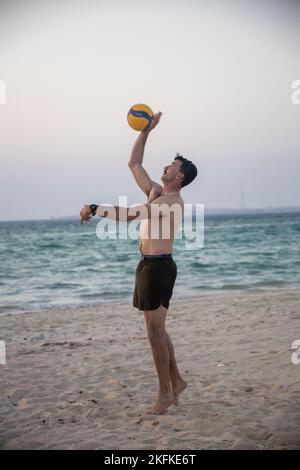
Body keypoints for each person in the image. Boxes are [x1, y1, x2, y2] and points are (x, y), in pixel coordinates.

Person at [80, 112, 198, 414]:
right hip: (148, 265)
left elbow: (132, 214)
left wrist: (95, 208)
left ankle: (165, 394)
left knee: (154, 332)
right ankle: (177, 380)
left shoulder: (170, 202)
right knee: (159, 330)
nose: (166, 166)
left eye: (172, 165)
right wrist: (146, 131)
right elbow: (134, 163)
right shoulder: (157, 193)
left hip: (158, 267)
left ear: (180, 176)